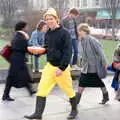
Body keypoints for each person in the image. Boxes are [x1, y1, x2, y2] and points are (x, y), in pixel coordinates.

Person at [24, 8, 78, 120]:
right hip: (50, 67)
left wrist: (62, 68)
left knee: (68, 89)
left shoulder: (65, 33)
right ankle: (38, 114)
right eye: (47, 19)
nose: (49, 21)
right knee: (42, 89)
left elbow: (68, 52)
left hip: (61, 68)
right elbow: (47, 48)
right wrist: (37, 52)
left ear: (56, 19)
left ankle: (74, 109)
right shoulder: (48, 33)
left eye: (51, 19)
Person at [76, 23, 109, 105]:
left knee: (98, 82)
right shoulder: (81, 40)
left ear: (84, 31)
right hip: (86, 67)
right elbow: (81, 53)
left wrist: (104, 62)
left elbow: (100, 51)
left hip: (94, 67)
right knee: (82, 82)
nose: (78, 32)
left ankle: (106, 96)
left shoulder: (92, 40)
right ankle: (76, 101)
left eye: (79, 31)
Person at [2, 21, 35, 101]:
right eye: (26, 27)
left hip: (16, 59)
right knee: (14, 77)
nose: (27, 28)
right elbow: (25, 48)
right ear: (22, 28)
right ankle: (5, 95)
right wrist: (35, 51)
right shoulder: (21, 37)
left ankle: (30, 90)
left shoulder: (17, 35)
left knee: (20, 75)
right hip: (18, 59)